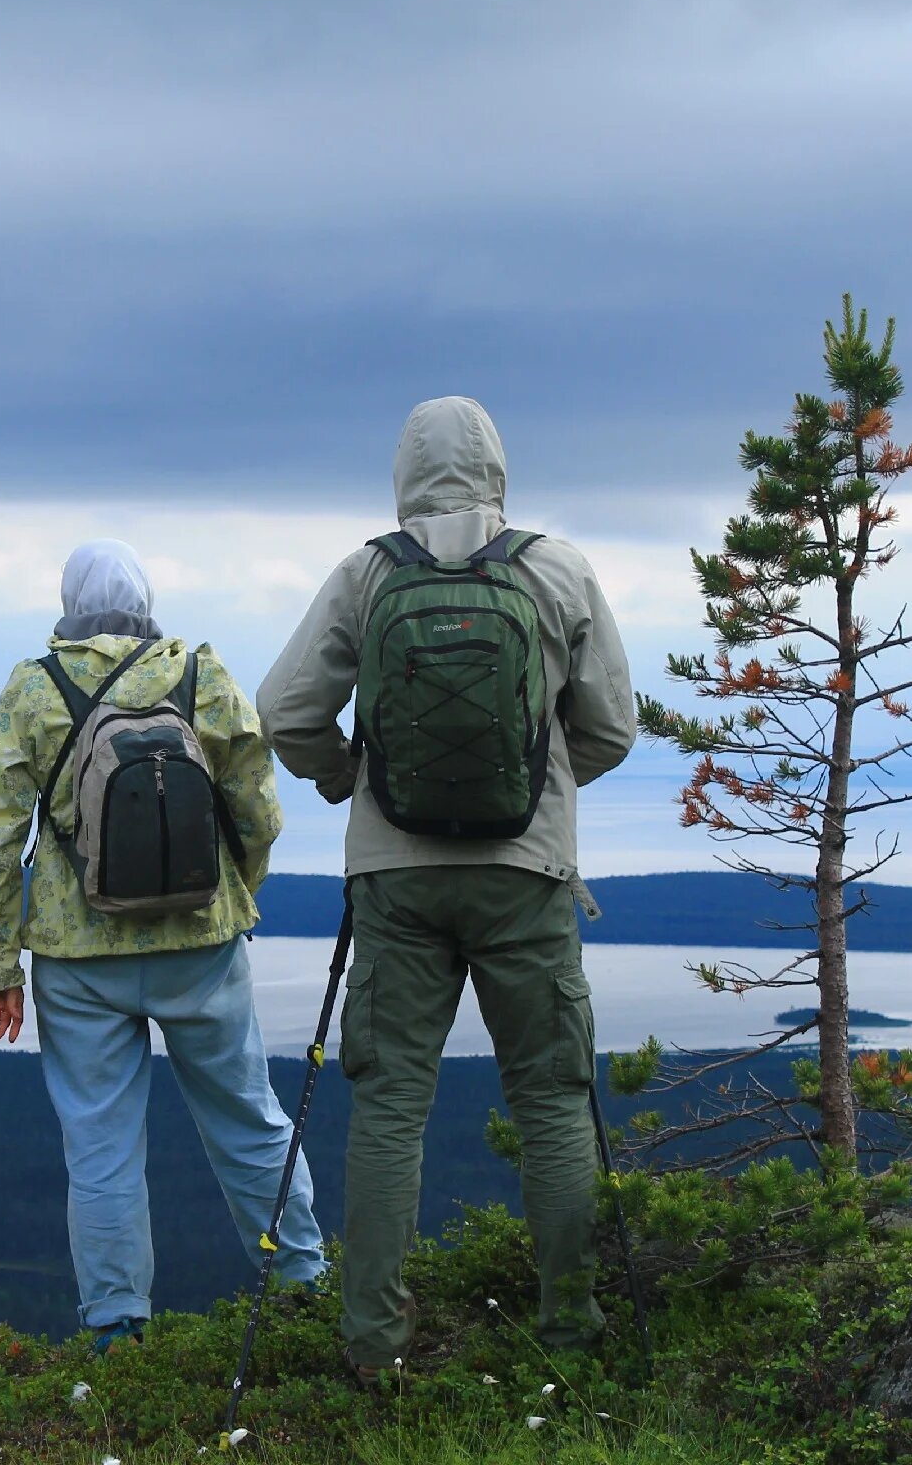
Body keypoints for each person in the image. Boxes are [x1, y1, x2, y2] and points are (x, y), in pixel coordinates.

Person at [255, 396, 636, 1383]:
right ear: (499, 469)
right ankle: (570, 1337)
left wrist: (351, 779)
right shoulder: (558, 568)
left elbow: (283, 711)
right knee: (553, 1103)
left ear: (405, 473)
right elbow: (612, 729)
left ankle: (374, 1349)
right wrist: (540, 788)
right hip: (528, 876)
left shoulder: (368, 572)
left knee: (389, 1109)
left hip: (396, 878)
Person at [0, 538, 321, 1351]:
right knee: (249, 1121)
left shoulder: (34, 685)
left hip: (76, 954)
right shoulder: (200, 673)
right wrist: (237, 896)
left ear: (70, 603)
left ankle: (116, 1327)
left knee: (99, 1145)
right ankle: (303, 1283)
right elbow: (259, 812)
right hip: (200, 940)